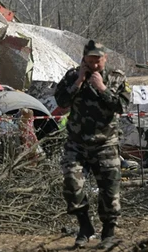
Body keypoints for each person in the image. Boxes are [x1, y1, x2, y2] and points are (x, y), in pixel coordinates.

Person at [54, 40, 130, 248]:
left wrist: (102, 88)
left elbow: (121, 106)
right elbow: (61, 102)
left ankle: (108, 233)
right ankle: (85, 227)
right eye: (91, 61)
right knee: (71, 182)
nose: (95, 65)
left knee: (109, 190)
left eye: (99, 61)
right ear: (84, 59)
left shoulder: (116, 77)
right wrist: (78, 81)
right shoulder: (72, 76)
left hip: (105, 143)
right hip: (77, 143)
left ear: (105, 59)